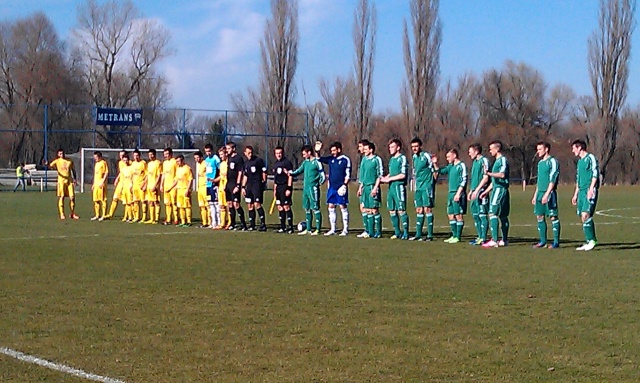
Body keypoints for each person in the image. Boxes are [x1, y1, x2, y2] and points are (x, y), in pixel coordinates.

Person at [289, 144, 325, 235]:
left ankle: (318, 229)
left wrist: (317, 184)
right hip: (305, 189)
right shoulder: (305, 162)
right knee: (307, 208)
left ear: (309, 153)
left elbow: (323, 176)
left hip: (313, 189)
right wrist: (291, 173)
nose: (303, 156)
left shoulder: (316, 162)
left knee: (315, 208)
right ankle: (308, 229)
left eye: (304, 154)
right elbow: (299, 171)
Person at [316, 141, 351, 236]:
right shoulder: (331, 159)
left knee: (342, 207)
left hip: (341, 187)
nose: (333, 152)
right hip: (331, 187)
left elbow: (348, 174)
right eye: (331, 151)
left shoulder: (345, 160)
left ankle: (345, 229)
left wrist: (344, 185)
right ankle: (333, 229)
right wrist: (317, 151)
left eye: (334, 150)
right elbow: (319, 159)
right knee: (331, 206)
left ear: (339, 150)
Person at [532, 141, 561, 249]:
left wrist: (547, 193)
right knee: (539, 216)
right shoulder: (540, 163)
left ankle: (556, 242)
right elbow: (539, 181)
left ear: (546, 149)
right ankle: (543, 241)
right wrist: (535, 195)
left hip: (549, 193)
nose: (538, 152)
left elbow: (553, 179)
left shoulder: (552, 161)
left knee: (553, 216)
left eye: (540, 149)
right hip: (540, 193)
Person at [481, 141, 510, 248]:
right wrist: (486, 191)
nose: (490, 151)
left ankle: (494, 239)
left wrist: (488, 173)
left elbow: (502, 175)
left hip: (500, 190)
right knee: (502, 215)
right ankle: (504, 240)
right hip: (498, 189)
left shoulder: (502, 160)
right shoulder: (497, 161)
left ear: (497, 149)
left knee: (492, 213)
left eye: (491, 149)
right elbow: (494, 181)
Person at [571, 139, 599, 251]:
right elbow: (578, 179)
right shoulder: (580, 162)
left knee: (585, 214)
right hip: (581, 191)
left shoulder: (590, 158)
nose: (573, 151)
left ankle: (592, 241)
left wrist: (591, 188)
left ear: (579, 148)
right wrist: (575, 194)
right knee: (583, 217)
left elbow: (595, 173)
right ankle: (589, 241)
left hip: (588, 189)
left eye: (574, 148)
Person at [436, 149, 468, 243]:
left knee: (458, 215)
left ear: (454, 155)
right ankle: (453, 235)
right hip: (450, 193)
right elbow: (441, 171)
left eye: (448, 157)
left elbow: (464, 180)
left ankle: (458, 237)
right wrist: (435, 164)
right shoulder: (451, 166)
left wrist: (459, 193)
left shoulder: (461, 165)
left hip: (458, 193)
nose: (447, 159)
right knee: (450, 214)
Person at [409, 138, 438, 241]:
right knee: (419, 209)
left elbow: (434, 170)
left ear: (420, 146)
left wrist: (432, 183)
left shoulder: (426, 156)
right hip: (418, 186)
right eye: (412, 147)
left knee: (427, 209)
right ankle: (418, 234)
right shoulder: (414, 157)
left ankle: (430, 235)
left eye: (416, 146)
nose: (414, 148)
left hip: (426, 185)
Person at [381, 138, 409, 239]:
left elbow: (402, 175)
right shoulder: (392, 159)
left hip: (398, 186)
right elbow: (392, 173)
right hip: (391, 187)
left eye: (392, 147)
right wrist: (385, 178)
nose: (390, 149)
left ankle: (405, 232)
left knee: (401, 209)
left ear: (398, 148)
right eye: (389, 147)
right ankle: (397, 232)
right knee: (391, 210)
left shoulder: (402, 158)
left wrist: (389, 179)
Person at [357, 141, 383, 238]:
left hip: (372, 186)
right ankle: (370, 232)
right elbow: (362, 175)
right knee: (367, 209)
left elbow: (379, 175)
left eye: (366, 149)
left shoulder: (377, 159)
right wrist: (360, 187)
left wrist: (376, 187)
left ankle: (379, 232)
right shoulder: (364, 159)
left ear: (371, 150)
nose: (364, 151)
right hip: (365, 187)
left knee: (374, 210)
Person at [45, 149, 79, 220]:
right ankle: (62, 214)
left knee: (72, 197)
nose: (62, 155)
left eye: (62, 153)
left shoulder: (69, 160)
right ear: (58, 155)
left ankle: (72, 213)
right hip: (61, 181)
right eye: (60, 153)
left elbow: (73, 170)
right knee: (62, 197)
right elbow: (50, 166)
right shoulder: (57, 161)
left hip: (69, 181)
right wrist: (47, 164)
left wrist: (75, 179)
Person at [468, 144, 490, 245]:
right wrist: (471, 191)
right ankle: (479, 236)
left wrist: (477, 190)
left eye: (470, 151)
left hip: (481, 192)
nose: (469, 154)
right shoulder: (475, 162)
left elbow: (486, 177)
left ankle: (484, 238)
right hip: (474, 192)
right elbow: (474, 179)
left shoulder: (483, 161)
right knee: (475, 215)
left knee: (482, 214)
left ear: (476, 151)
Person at [241, 146, 268, 231]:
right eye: (248, 153)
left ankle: (263, 224)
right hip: (249, 186)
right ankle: (252, 225)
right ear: (245, 153)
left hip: (257, 185)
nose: (250, 154)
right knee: (250, 205)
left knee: (257, 204)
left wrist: (264, 182)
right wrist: (243, 187)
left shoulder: (258, 161)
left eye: (251, 152)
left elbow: (264, 172)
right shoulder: (245, 164)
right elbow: (245, 176)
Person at [272, 146, 294, 233]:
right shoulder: (275, 164)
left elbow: (290, 176)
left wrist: (289, 188)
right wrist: (274, 190)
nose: (278, 155)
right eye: (277, 153)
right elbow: (275, 179)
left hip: (285, 186)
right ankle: (282, 227)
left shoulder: (287, 163)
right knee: (279, 206)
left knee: (286, 206)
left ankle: (290, 227)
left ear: (283, 153)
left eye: (280, 153)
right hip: (278, 187)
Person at [225, 142, 247, 230]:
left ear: (233, 149)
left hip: (235, 184)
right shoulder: (229, 158)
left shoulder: (239, 158)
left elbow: (240, 172)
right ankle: (232, 223)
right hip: (228, 184)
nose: (227, 150)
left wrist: (238, 185)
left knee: (236, 204)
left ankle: (243, 224)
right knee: (229, 204)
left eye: (229, 148)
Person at [105, 150, 127, 219]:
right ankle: (110, 214)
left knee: (126, 201)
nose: (121, 157)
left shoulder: (129, 163)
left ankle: (127, 216)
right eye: (120, 155)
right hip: (120, 183)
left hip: (126, 184)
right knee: (115, 198)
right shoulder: (120, 163)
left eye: (123, 155)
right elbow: (121, 172)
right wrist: (117, 178)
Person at [204, 143, 221, 229]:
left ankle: (219, 222)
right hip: (208, 184)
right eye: (206, 151)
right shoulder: (206, 160)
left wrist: (216, 180)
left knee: (216, 203)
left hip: (214, 184)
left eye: (209, 151)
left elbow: (220, 169)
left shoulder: (216, 158)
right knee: (210, 204)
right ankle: (213, 222)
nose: (208, 153)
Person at [173, 155, 194, 227]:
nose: (177, 163)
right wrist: (171, 188)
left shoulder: (187, 168)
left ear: (182, 160)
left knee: (187, 206)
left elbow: (191, 180)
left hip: (185, 189)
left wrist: (188, 189)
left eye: (178, 161)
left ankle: (189, 221)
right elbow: (176, 180)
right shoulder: (178, 169)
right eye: (177, 161)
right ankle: (183, 221)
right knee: (180, 206)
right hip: (179, 189)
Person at [143, 149, 162, 224]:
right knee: (150, 202)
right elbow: (148, 175)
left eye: (152, 154)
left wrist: (155, 185)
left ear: (154, 154)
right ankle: (152, 219)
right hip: (149, 185)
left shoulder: (158, 163)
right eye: (149, 155)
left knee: (156, 202)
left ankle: (156, 219)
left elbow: (159, 175)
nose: (150, 156)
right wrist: (145, 184)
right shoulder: (149, 164)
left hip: (154, 185)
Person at [160, 147, 179, 225]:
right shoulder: (164, 163)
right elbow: (163, 174)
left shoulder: (174, 162)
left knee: (174, 203)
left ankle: (176, 219)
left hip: (173, 185)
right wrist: (161, 185)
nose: (166, 156)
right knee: (167, 203)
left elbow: (178, 173)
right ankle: (168, 219)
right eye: (165, 154)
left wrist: (174, 184)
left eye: (167, 154)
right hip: (166, 185)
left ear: (171, 154)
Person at [214, 147, 230, 229]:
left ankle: (230, 222)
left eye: (222, 154)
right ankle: (222, 223)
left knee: (228, 205)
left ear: (226, 154)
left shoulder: (229, 163)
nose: (221, 156)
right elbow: (221, 176)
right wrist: (214, 180)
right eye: (219, 155)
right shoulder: (221, 164)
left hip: (227, 187)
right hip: (221, 187)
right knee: (221, 206)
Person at [356, 139, 370, 236]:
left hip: (370, 186)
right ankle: (367, 230)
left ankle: (371, 230)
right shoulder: (364, 159)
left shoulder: (372, 159)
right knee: (362, 208)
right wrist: (360, 187)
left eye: (361, 146)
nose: (360, 149)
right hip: (363, 186)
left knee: (369, 209)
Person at [194, 151, 211, 228]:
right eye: (195, 158)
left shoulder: (205, 163)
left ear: (201, 157)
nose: (196, 159)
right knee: (201, 206)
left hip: (205, 186)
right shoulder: (198, 164)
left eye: (198, 157)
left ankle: (210, 222)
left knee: (208, 205)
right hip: (200, 187)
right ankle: (204, 222)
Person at [90, 151, 109, 221]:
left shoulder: (103, 163)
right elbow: (95, 175)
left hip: (101, 184)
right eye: (94, 157)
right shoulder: (96, 164)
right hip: (96, 184)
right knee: (96, 200)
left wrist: (103, 182)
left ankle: (103, 215)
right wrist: (93, 184)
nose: (95, 159)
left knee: (103, 199)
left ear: (100, 157)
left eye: (96, 157)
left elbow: (106, 172)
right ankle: (97, 215)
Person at [130, 149, 147, 222]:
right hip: (135, 185)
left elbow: (147, 174)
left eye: (137, 155)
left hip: (141, 185)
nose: (136, 157)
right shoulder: (133, 164)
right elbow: (132, 175)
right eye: (134, 155)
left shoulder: (143, 163)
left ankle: (144, 217)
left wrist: (144, 184)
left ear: (139, 156)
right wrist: (131, 184)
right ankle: (136, 217)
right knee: (135, 201)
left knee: (143, 201)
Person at [117, 153, 134, 222]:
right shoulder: (123, 169)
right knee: (126, 202)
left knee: (131, 202)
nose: (125, 162)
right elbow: (122, 179)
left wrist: (131, 185)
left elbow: (133, 177)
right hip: (124, 187)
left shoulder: (131, 168)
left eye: (126, 160)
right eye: (124, 160)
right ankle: (129, 216)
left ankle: (133, 216)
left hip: (130, 186)